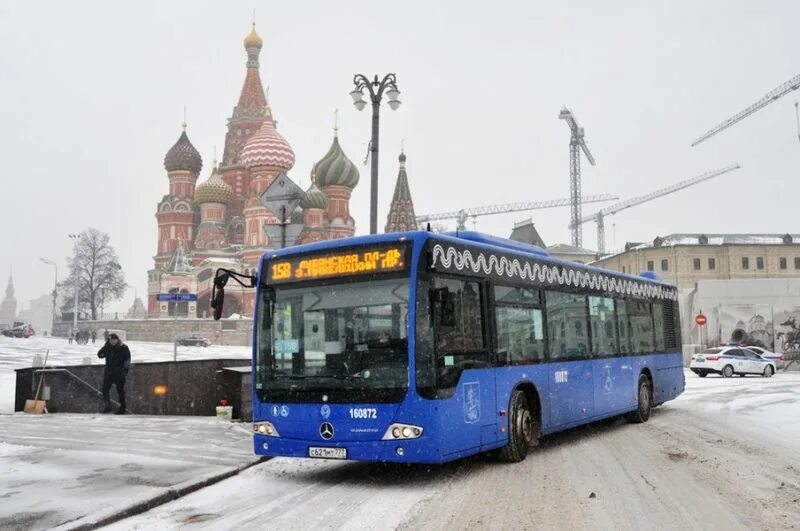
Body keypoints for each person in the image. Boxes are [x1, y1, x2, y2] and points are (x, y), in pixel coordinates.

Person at [97, 333, 130, 414]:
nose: (113, 342)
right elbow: (100, 354)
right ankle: (107, 406)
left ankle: (122, 408)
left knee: (120, 391)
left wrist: (124, 372)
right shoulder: (107, 347)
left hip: (119, 373)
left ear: (117, 340)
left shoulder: (123, 347)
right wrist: (106, 346)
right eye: (111, 340)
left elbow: (127, 361)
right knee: (105, 390)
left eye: (114, 340)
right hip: (109, 372)